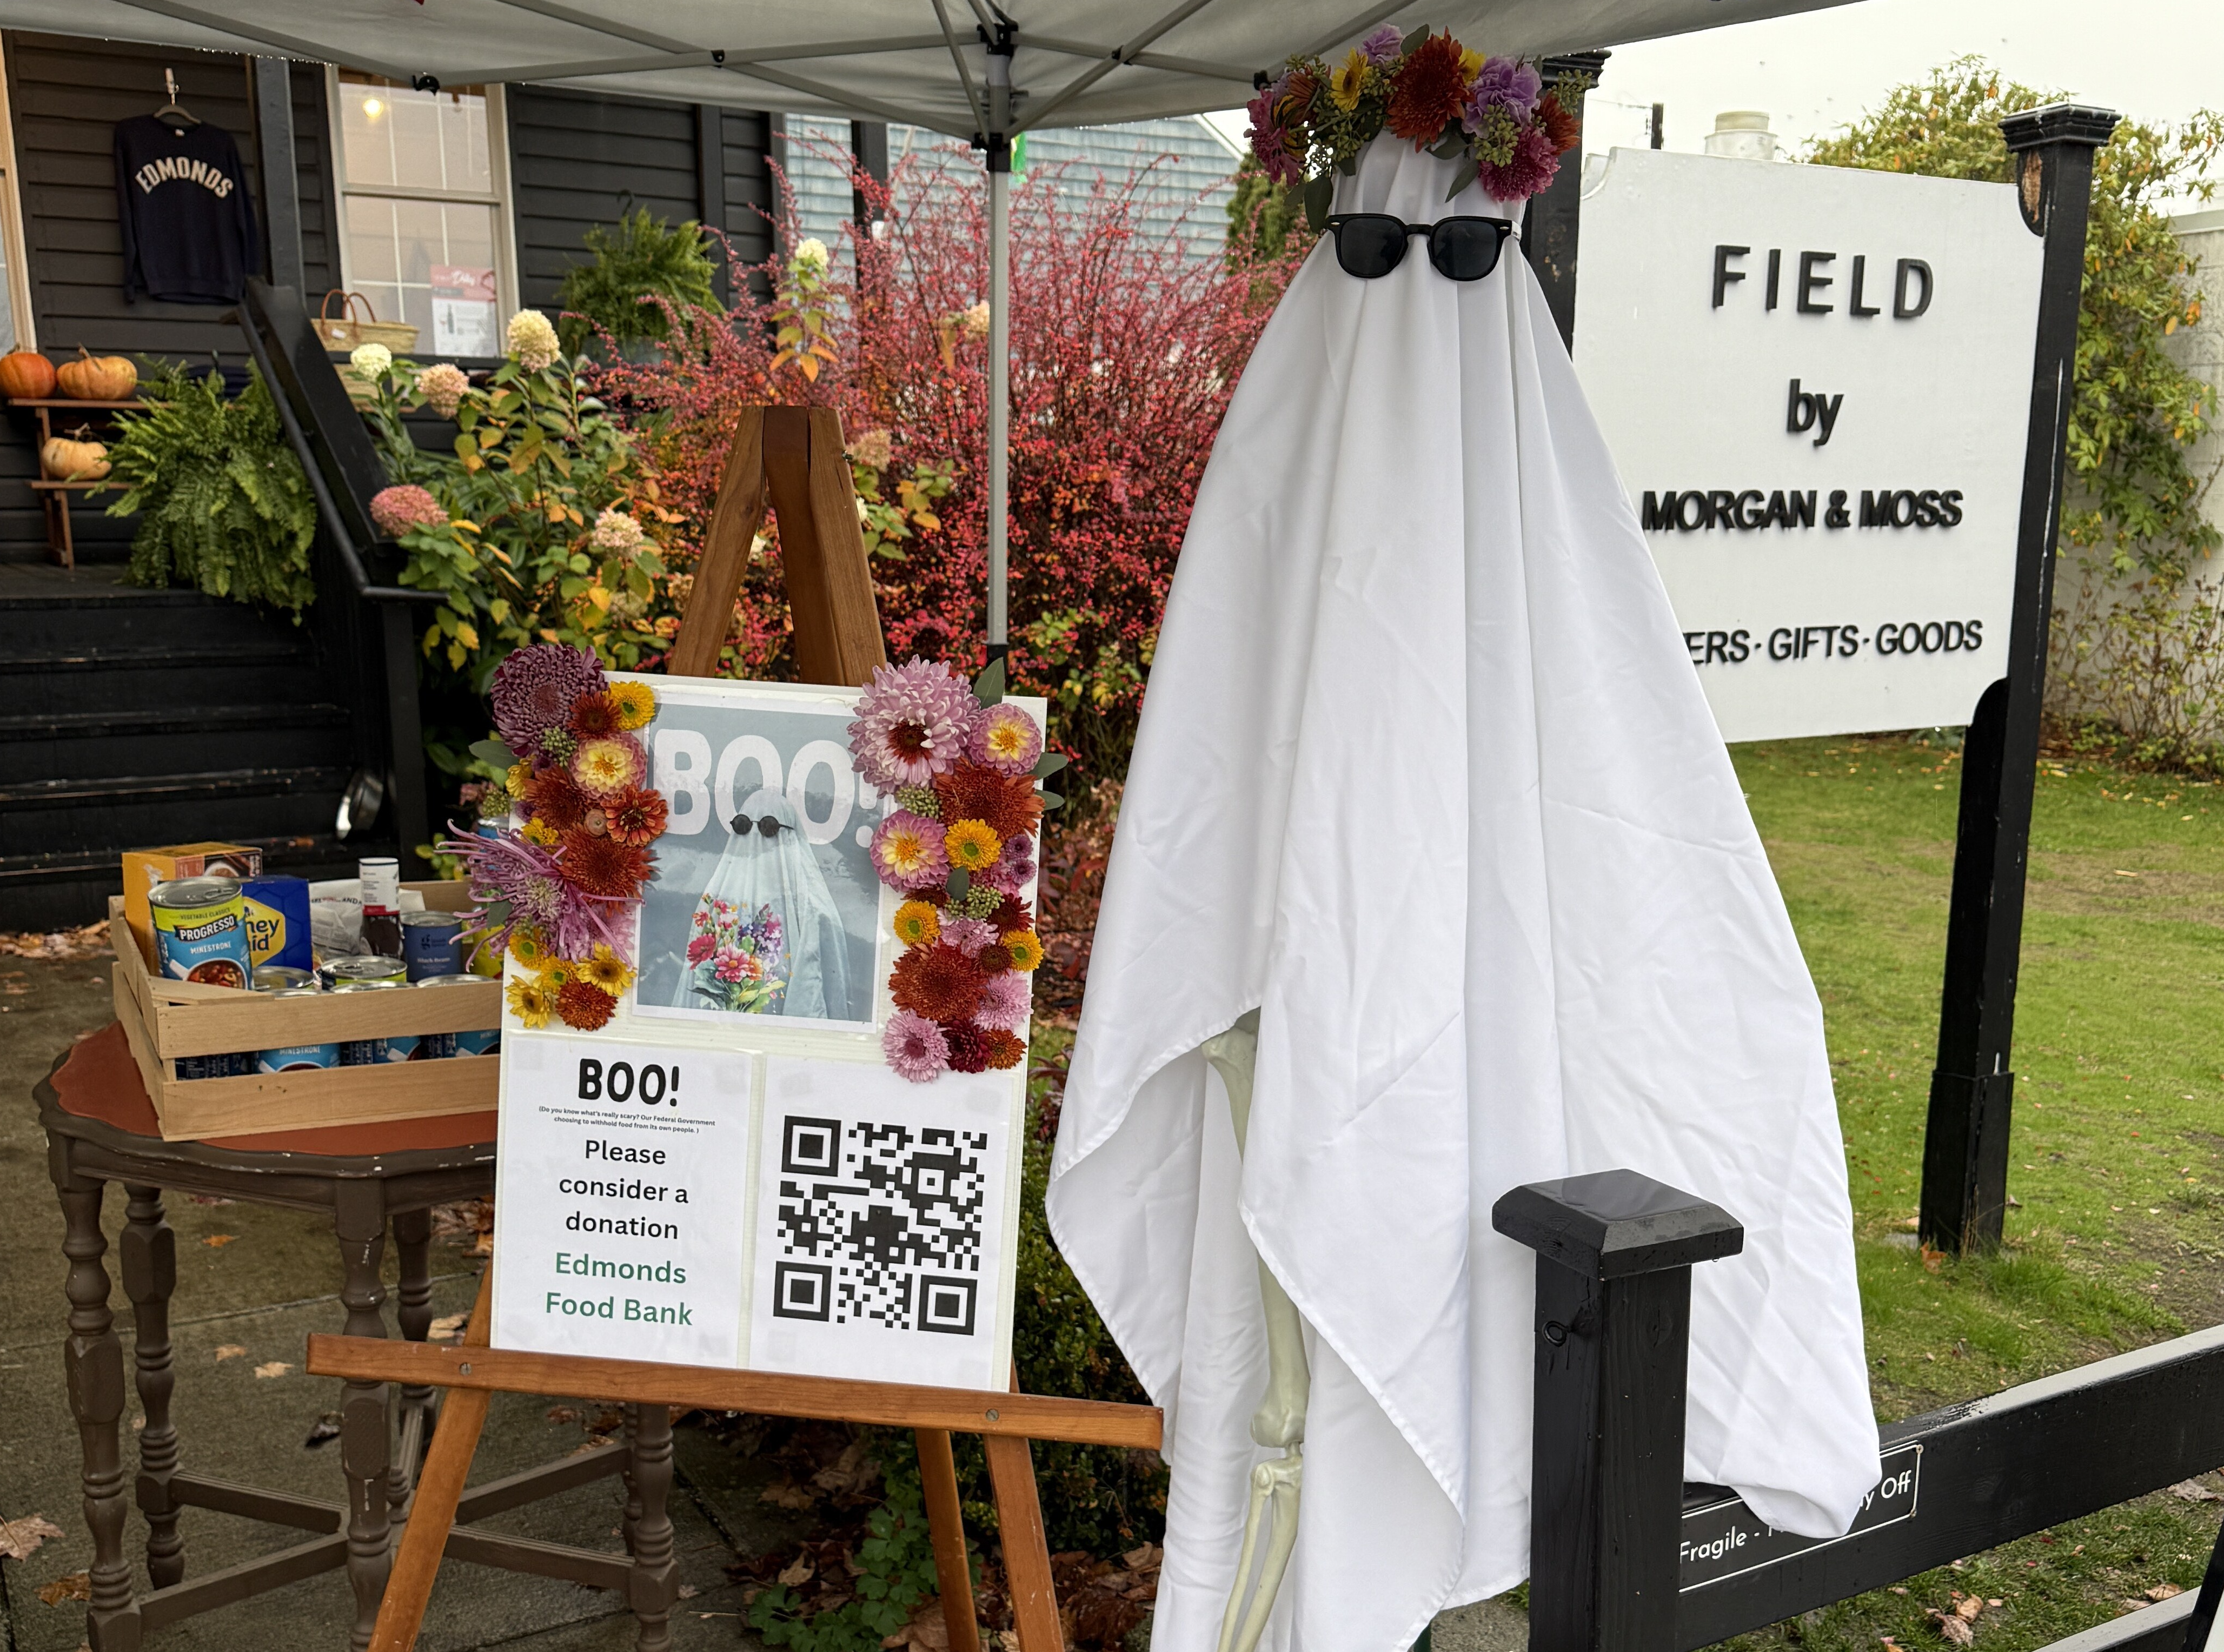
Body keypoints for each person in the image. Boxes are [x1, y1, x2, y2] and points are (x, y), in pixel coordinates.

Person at [675, 787, 853, 1020]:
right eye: (743, 826)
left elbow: (819, 990)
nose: (756, 840)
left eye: (768, 829)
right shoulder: (716, 902)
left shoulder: (812, 908)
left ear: (788, 834)